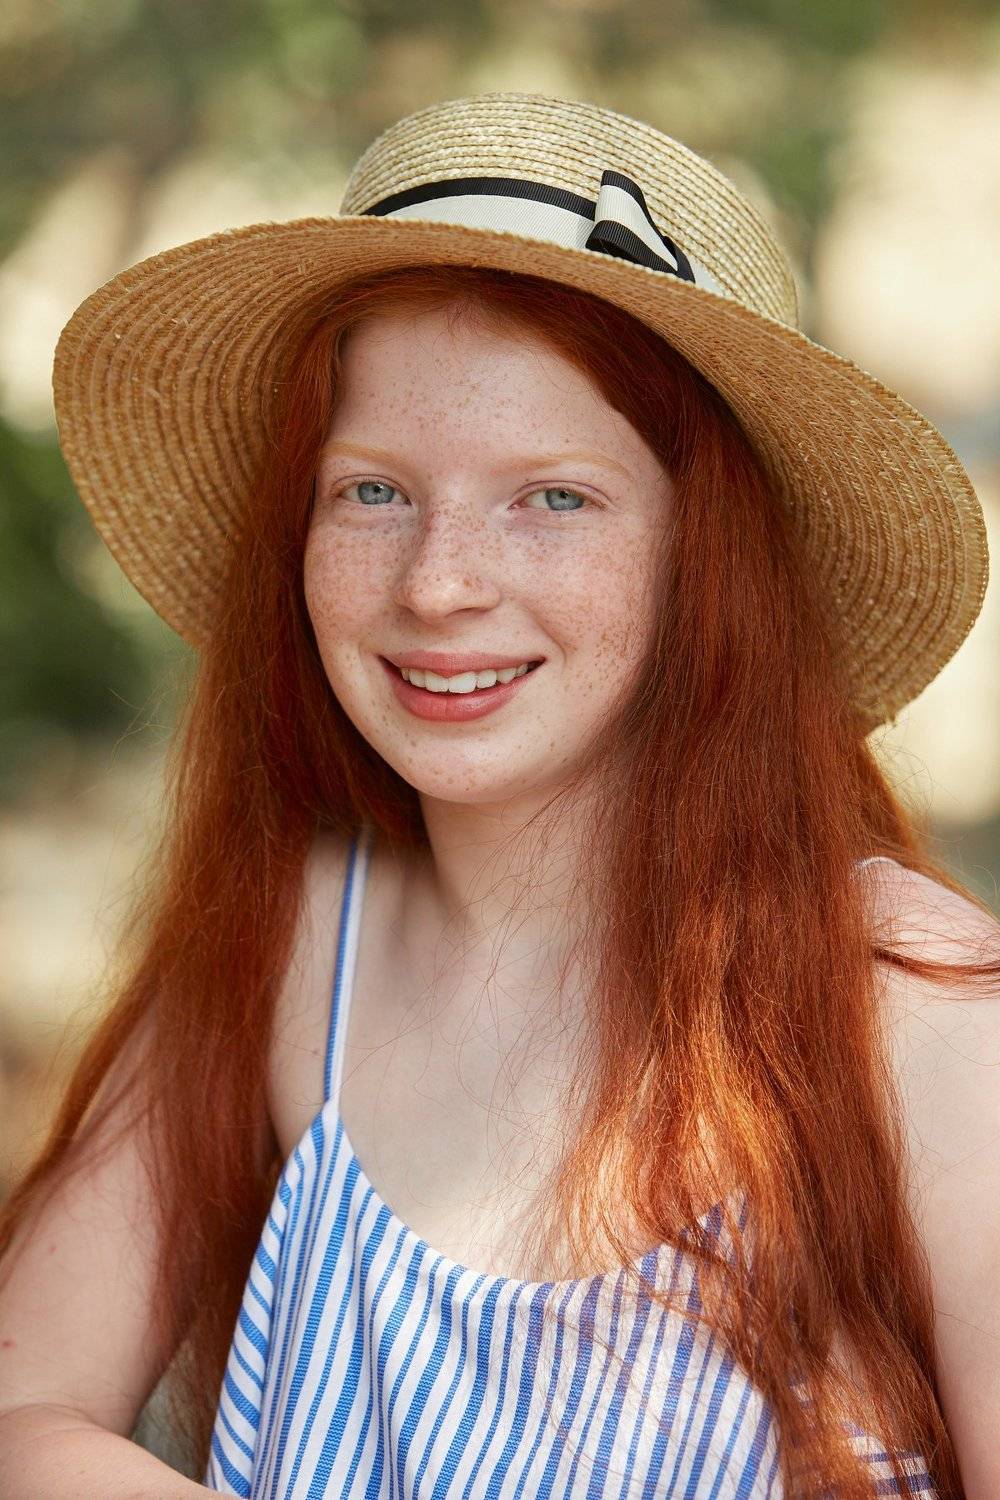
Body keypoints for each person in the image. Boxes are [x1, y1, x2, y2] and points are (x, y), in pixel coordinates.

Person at [0, 91, 997, 1500]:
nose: (440, 582)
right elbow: (22, 1408)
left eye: (554, 497)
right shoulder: (300, 945)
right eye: (371, 492)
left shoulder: (915, 1020)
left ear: (708, 562)